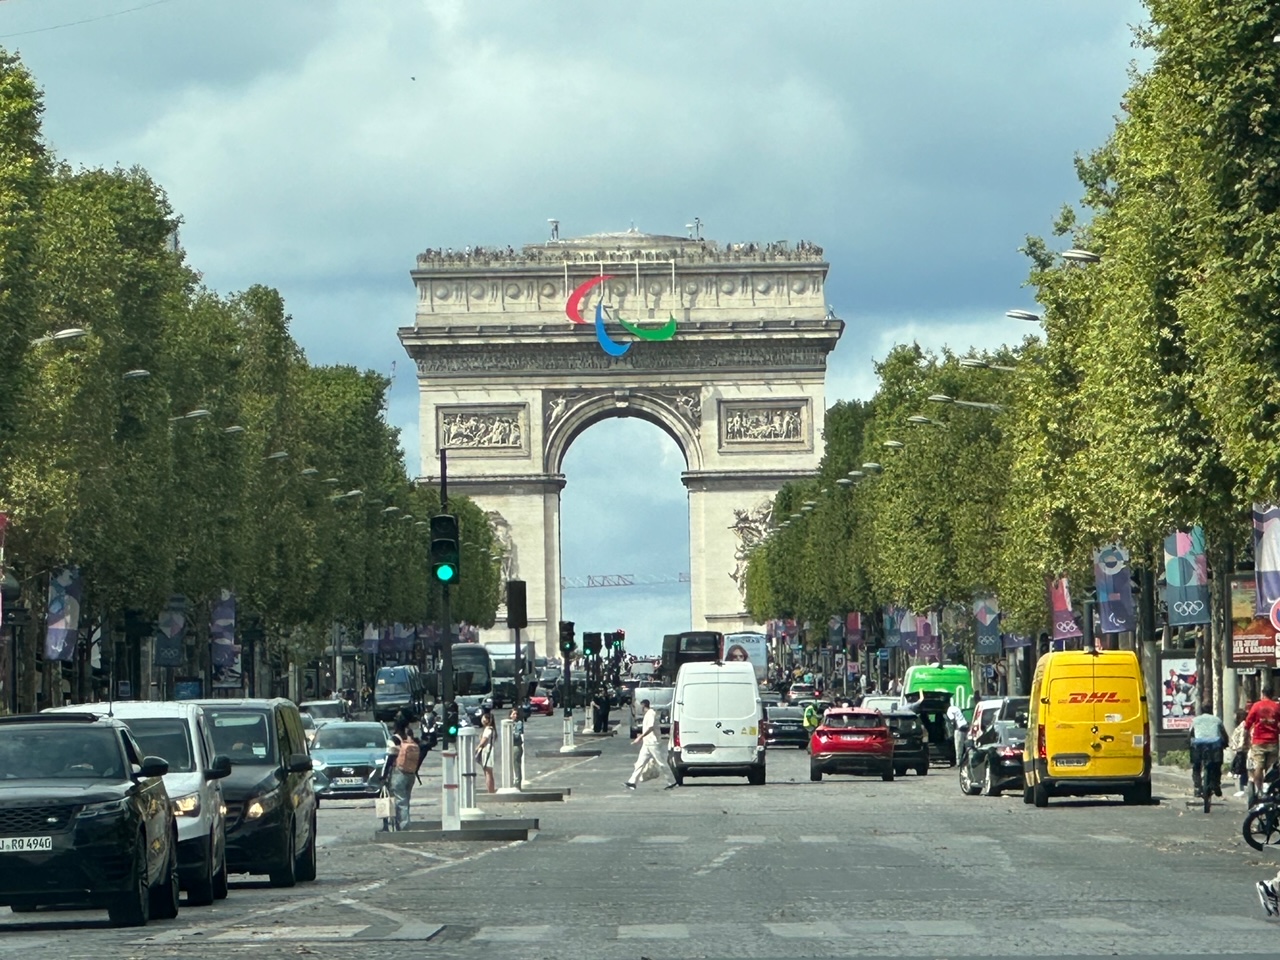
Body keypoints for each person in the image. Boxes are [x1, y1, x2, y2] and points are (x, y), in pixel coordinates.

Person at [625, 698, 676, 790]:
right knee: (640, 763)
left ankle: (672, 781)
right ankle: (632, 782)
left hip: (653, 743)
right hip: (647, 743)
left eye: (640, 706)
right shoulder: (647, 714)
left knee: (661, 763)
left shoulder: (651, 713)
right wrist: (642, 736)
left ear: (644, 705)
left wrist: (640, 737)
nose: (639, 708)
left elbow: (651, 727)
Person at [380, 716, 420, 831]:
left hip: (398, 773)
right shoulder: (410, 739)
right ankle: (404, 823)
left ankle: (403, 827)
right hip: (411, 774)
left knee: (400, 800)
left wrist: (383, 775)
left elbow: (389, 758)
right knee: (406, 800)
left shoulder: (394, 740)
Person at [1245, 689, 1280, 799]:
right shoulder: (1276, 707)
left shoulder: (1256, 706)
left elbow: (1248, 723)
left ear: (1262, 694)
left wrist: (1246, 739)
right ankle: (1269, 788)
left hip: (1258, 741)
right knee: (1271, 768)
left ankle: (1259, 790)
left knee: (1258, 767)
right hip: (1273, 741)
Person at [1188, 703, 1228, 798]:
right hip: (1214, 745)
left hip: (1198, 745)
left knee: (1196, 766)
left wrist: (1189, 745)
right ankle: (1216, 784)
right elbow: (1224, 734)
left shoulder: (1195, 720)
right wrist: (1226, 743)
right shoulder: (1217, 720)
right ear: (1211, 711)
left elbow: (1190, 734)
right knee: (1217, 764)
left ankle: (1197, 787)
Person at [1229, 707, 1250, 797]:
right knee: (1241, 769)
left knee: (1240, 769)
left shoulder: (1243, 725)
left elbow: (1242, 737)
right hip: (1240, 749)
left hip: (1241, 750)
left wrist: (1239, 748)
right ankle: (1242, 788)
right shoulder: (1242, 724)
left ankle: (1242, 789)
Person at [476, 711, 496, 793]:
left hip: (487, 752)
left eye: (483, 718)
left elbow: (484, 740)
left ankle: (490, 791)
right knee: (488, 773)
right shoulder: (490, 729)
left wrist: (477, 748)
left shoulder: (488, 729)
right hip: (488, 751)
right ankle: (491, 790)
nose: (482, 719)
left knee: (488, 773)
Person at [946, 697, 970, 765]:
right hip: (965, 726)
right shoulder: (955, 708)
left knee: (958, 746)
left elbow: (953, 720)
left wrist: (953, 729)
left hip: (959, 728)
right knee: (966, 745)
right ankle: (967, 761)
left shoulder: (949, 710)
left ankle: (958, 763)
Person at [508, 707, 525, 788]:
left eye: (516, 714)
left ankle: (518, 783)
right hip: (508, 746)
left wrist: (511, 734)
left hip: (516, 746)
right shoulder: (508, 723)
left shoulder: (518, 723)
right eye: (513, 714)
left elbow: (517, 735)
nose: (515, 715)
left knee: (516, 764)